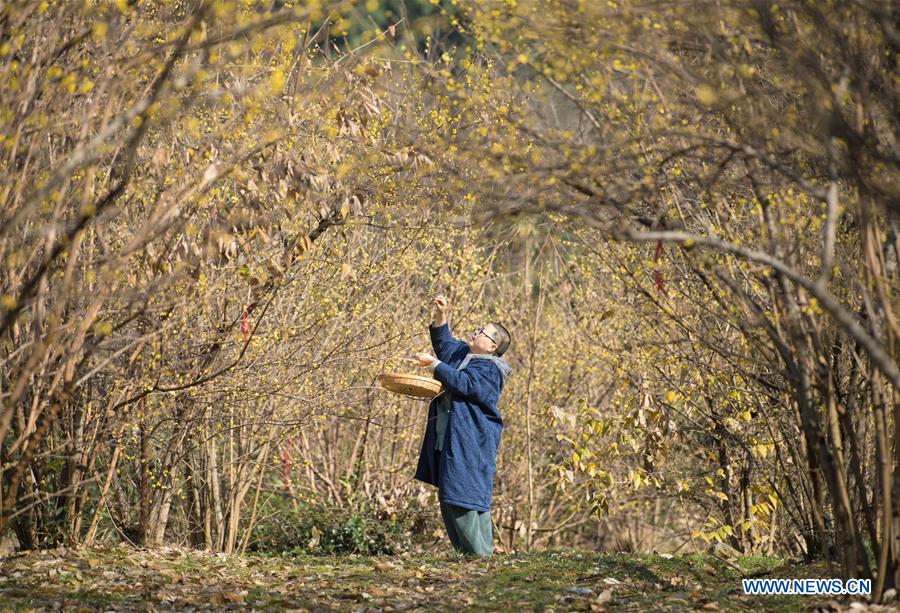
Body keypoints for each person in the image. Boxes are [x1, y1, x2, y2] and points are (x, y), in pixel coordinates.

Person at [412, 294, 512, 558]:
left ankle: (478, 556)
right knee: (452, 493)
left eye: (482, 332)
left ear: (492, 347)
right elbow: (444, 344)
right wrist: (441, 315)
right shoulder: (465, 355)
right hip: (452, 438)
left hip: (472, 441)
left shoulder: (492, 370)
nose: (475, 331)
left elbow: (465, 383)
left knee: (461, 494)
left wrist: (434, 365)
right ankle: (474, 556)